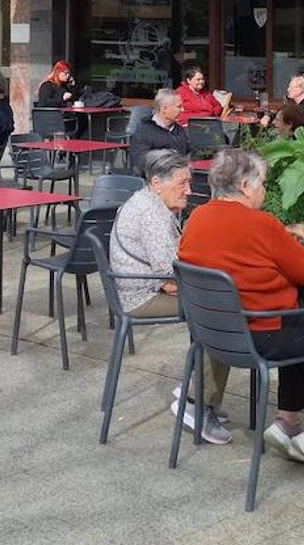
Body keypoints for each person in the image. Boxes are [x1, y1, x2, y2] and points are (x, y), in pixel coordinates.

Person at [179, 148, 304, 476]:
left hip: (215, 335)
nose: (265, 190)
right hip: (263, 334)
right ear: (246, 186)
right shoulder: (261, 224)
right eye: (262, 183)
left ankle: (288, 422)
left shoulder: (196, 218)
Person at [109, 150, 232, 445]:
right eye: (182, 184)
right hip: (142, 294)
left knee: (216, 303)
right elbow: (168, 277)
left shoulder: (149, 202)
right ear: (156, 182)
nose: (189, 190)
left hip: (137, 288)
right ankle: (199, 405)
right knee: (220, 315)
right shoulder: (151, 214)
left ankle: (196, 392)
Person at [128, 88, 190, 174]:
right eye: (179, 107)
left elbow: (189, 154)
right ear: (164, 109)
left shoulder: (180, 131)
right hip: (155, 180)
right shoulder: (144, 131)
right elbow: (140, 161)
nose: (182, 110)